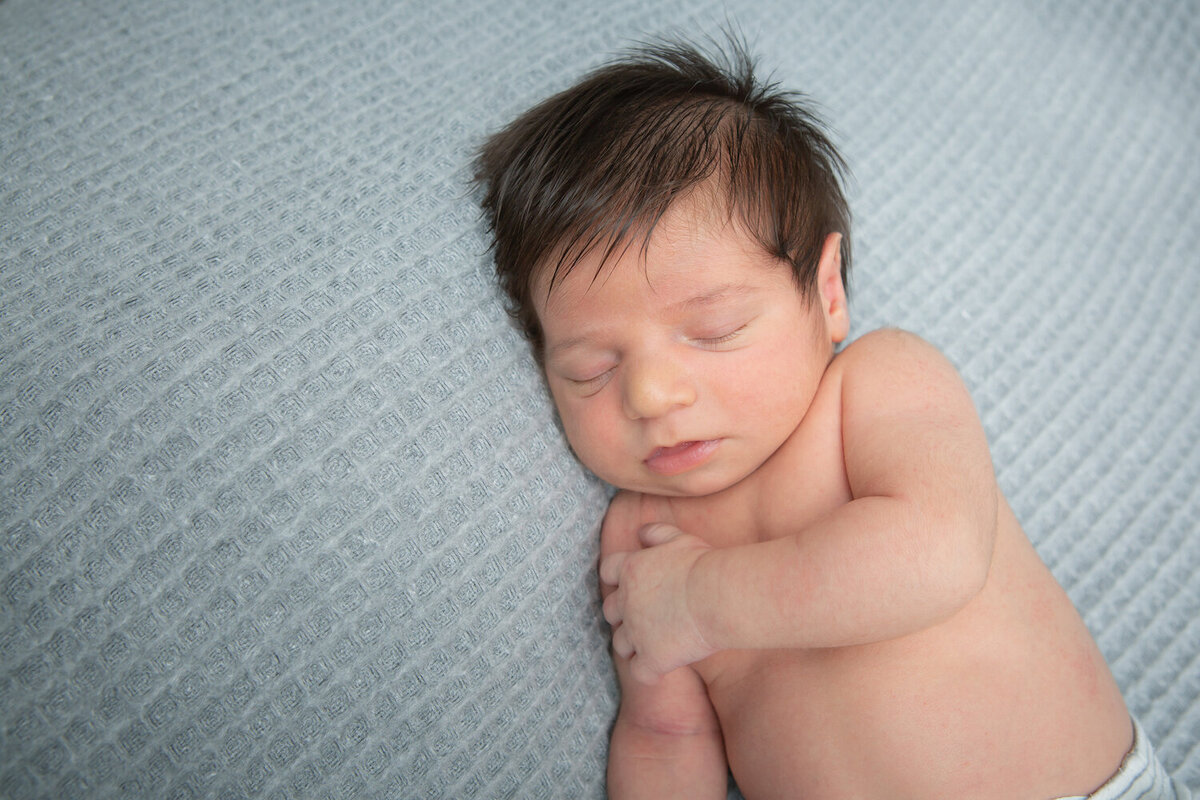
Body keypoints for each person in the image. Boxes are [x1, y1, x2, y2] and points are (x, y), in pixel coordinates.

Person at [474, 37, 1188, 800]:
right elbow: (667, 735)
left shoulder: (877, 386)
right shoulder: (641, 537)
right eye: (592, 369)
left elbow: (936, 552)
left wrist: (704, 599)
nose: (648, 395)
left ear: (828, 292)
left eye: (712, 331)